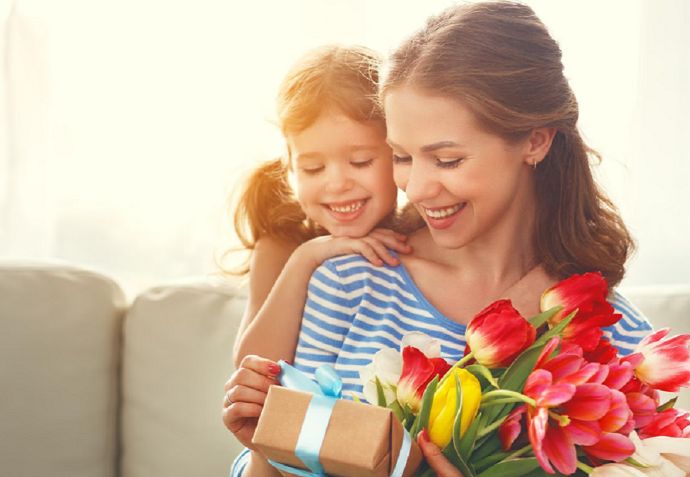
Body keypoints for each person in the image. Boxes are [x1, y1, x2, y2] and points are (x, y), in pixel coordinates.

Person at [226, 2, 653, 476]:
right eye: (401, 157)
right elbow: (272, 461)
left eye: (447, 160)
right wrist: (268, 444)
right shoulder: (349, 280)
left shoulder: (613, 335)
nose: (417, 188)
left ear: (535, 140)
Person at [221, 44, 414, 477]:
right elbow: (253, 372)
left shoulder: (416, 241)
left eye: (360, 161)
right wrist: (308, 258)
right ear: (288, 167)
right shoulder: (284, 244)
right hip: (275, 458)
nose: (337, 183)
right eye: (311, 168)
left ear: (399, 155)